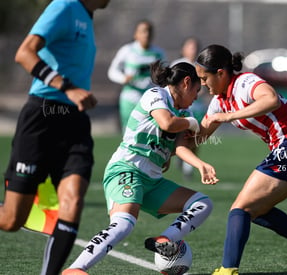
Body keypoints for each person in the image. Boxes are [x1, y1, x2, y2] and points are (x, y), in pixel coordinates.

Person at [188, 44, 287, 275]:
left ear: (221, 73)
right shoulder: (218, 101)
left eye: (204, 78)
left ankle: (228, 271)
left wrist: (229, 116)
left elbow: (271, 100)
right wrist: (168, 134)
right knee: (255, 210)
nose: (203, 85)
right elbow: (198, 136)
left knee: (241, 208)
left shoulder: (245, 82)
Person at [62, 60, 218, 275]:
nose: (195, 97)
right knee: (124, 224)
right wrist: (192, 123)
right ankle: (75, 269)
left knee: (202, 203)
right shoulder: (155, 95)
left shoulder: (183, 113)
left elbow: (181, 147)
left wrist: (200, 165)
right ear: (186, 82)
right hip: (126, 170)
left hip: (152, 182)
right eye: (196, 91)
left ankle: (167, 239)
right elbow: (166, 123)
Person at [0, 0, 110, 274]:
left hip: (75, 123)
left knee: (72, 202)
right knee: (12, 220)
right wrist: (67, 87)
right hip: (42, 119)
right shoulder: (63, 7)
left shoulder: (86, 16)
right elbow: (24, 53)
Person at [107, 19, 165, 132]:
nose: (146, 34)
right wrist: (123, 78)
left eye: (149, 31)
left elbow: (164, 74)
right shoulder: (127, 50)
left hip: (150, 98)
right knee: (130, 132)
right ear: (136, 34)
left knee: (149, 132)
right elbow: (112, 71)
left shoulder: (159, 53)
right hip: (130, 97)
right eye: (143, 31)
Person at [171, 37, 210, 180]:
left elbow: (206, 85)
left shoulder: (201, 66)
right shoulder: (178, 65)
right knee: (181, 135)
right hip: (182, 108)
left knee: (197, 136)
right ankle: (179, 156)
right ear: (183, 49)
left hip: (197, 106)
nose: (193, 50)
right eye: (190, 46)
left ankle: (188, 166)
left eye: (195, 47)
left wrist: (200, 91)